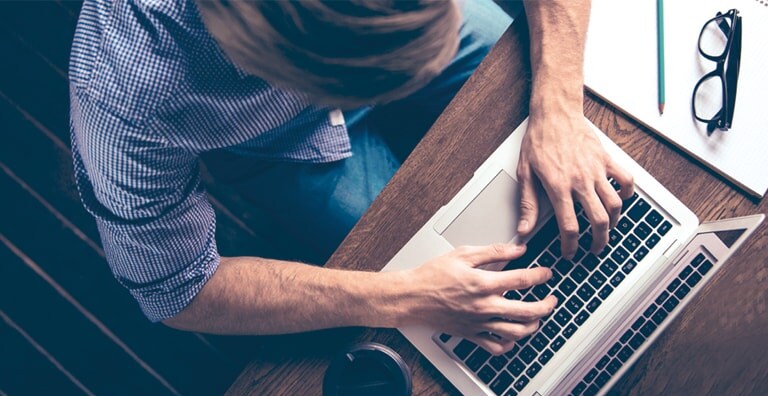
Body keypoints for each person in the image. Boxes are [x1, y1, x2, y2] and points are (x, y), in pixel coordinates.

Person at [69, 0, 634, 355]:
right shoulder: (123, 93)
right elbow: (178, 290)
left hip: (414, 29)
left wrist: (558, 100)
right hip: (278, 149)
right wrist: (404, 295)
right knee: (451, 280)